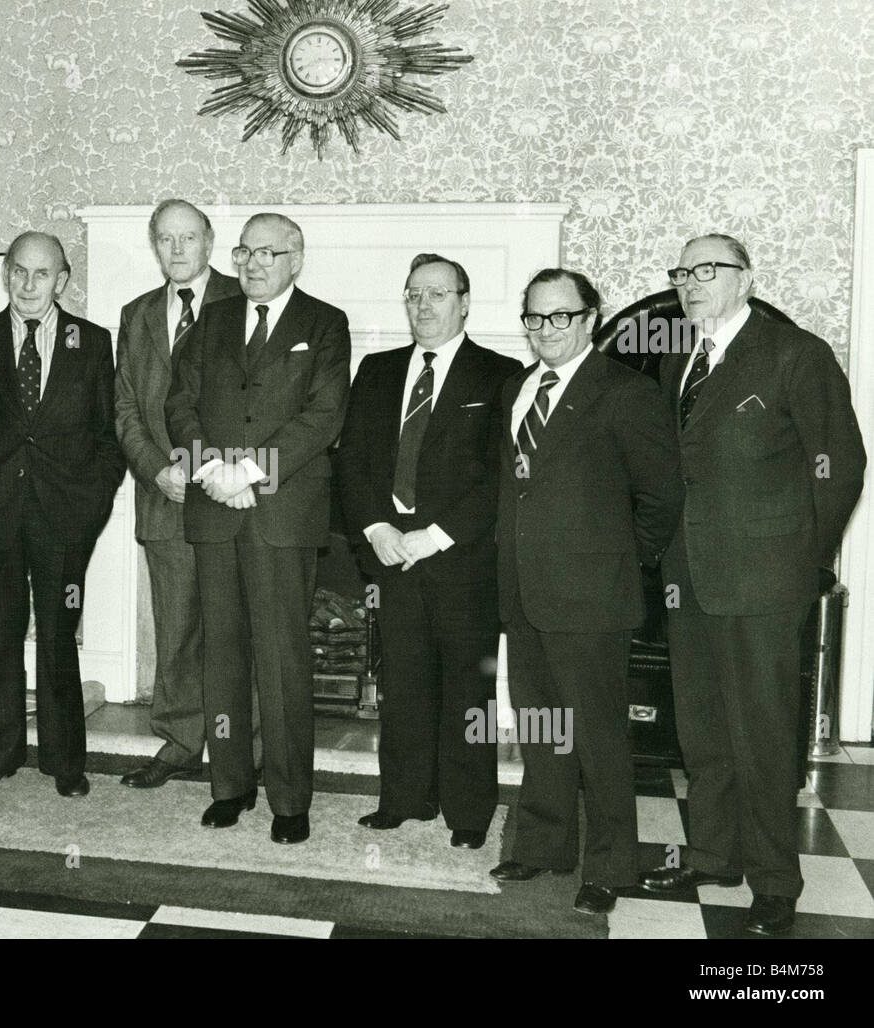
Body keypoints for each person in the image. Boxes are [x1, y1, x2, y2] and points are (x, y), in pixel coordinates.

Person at [639, 234, 866, 935]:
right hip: (688, 580)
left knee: (763, 737)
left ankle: (775, 880)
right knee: (701, 732)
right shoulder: (678, 356)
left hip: (766, 580)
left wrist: (804, 562)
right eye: (683, 272)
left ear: (746, 278)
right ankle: (712, 855)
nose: (691, 283)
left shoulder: (797, 355)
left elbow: (840, 464)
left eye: (708, 270)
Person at [491, 269, 683, 914]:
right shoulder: (520, 388)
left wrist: (622, 564)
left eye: (560, 317)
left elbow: (661, 496)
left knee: (597, 736)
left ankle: (609, 866)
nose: (546, 330)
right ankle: (543, 845)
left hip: (593, 597)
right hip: (524, 592)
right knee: (544, 723)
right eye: (535, 318)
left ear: (590, 318)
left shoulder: (626, 393)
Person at [165, 212, 351, 844]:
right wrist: (212, 467)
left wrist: (249, 471)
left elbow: (323, 416)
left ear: (296, 259)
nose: (252, 264)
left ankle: (291, 797)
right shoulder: (212, 319)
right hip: (214, 508)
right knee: (221, 658)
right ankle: (230, 785)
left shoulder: (325, 323)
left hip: (281, 515)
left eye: (269, 254)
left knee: (282, 659)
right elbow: (177, 403)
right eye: (245, 252)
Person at [337, 254, 520, 847]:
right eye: (413, 293)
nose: (423, 305)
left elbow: (500, 476)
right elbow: (354, 461)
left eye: (437, 293)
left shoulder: (500, 373)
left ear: (464, 301)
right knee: (406, 685)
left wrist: (434, 535)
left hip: (460, 559)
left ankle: (468, 814)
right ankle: (404, 798)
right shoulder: (377, 370)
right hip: (390, 555)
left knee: (468, 690)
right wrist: (376, 528)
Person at [0, 232, 125, 799]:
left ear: (63, 279)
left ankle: (65, 762)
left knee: (58, 637)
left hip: (64, 521)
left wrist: (90, 509)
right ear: (6, 273)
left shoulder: (93, 342)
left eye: (43, 274)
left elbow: (109, 436)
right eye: (20, 272)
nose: (30, 285)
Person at [113, 200, 241, 788]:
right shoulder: (135, 315)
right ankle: (181, 740)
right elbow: (126, 408)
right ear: (154, 245)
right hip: (163, 496)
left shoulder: (246, 302)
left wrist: (219, 470)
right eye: (167, 239)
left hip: (233, 498)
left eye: (189, 237)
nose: (179, 249)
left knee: (240, 629)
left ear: (210, 241)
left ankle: (249, 745)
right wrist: (155, 468)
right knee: (177, 628)